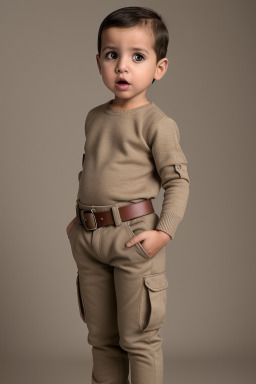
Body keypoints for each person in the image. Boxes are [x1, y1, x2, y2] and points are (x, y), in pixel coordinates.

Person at [66, 6, 190, 384]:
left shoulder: (158, 123)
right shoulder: (94, 116)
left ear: (159, 67)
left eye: (137, 56)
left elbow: (178, 182)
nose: (122, 66)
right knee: (101, 338)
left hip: (133, 236)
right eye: (111, 55)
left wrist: (163, 232)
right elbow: (95, 170)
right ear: (99, 61)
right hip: (89, 238)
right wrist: (77, 224)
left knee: (139, 338)